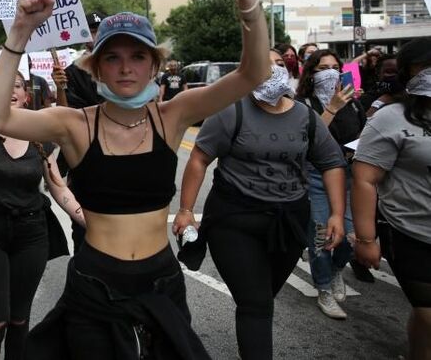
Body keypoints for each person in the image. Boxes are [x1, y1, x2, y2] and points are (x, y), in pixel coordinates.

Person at [0, 0, 271, 358]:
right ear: (96, 68)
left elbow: (253, 73)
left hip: (161, 283)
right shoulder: (74, 124)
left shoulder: (172, 116)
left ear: (154, 65)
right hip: (96, 286)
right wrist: (19, 32)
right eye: (112, 57)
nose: (125, 68)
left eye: (137, 56)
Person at [176, 48, 347, 358]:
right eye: (263, 65)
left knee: (264, 296)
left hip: (289, 223)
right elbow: (200, 158)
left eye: (280, 64)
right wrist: (187, 210)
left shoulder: (306, 117)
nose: (273, 70)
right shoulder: (230, 111)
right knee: (256, 303)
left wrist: (336, 213)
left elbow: (331, 162)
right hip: (234, 221)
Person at [0, 70, 84, 360]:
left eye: (16, 85)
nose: (9, 90)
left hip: (31, 234)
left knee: (19, 319)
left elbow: (58, 187)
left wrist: (87, 218)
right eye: (1, 86)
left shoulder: (39, 138)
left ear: (26, 96)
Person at [352, 38, 431, 359]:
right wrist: (366, 238)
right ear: (407, 72)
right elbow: (364, 179)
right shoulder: (390, 117)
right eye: (425, 66)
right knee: (428, 313)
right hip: (409, 232)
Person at [296, 49, 366, 318]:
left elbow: (364, 131)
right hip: (317, 175)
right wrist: (332, 108)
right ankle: (324, 287)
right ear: (311, 74)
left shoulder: (354, 102)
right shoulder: (303, 104)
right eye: (322, 68)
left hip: (350, 174)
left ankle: (336, 269)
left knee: (351, 236)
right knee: (322, 233)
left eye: (335, 67)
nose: (330, 72)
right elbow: (309, 141)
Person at [63, 11, 105, 109]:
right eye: (94, 31)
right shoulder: (72, 72)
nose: (99, 35)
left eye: (103, 30)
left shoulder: (123, 66)